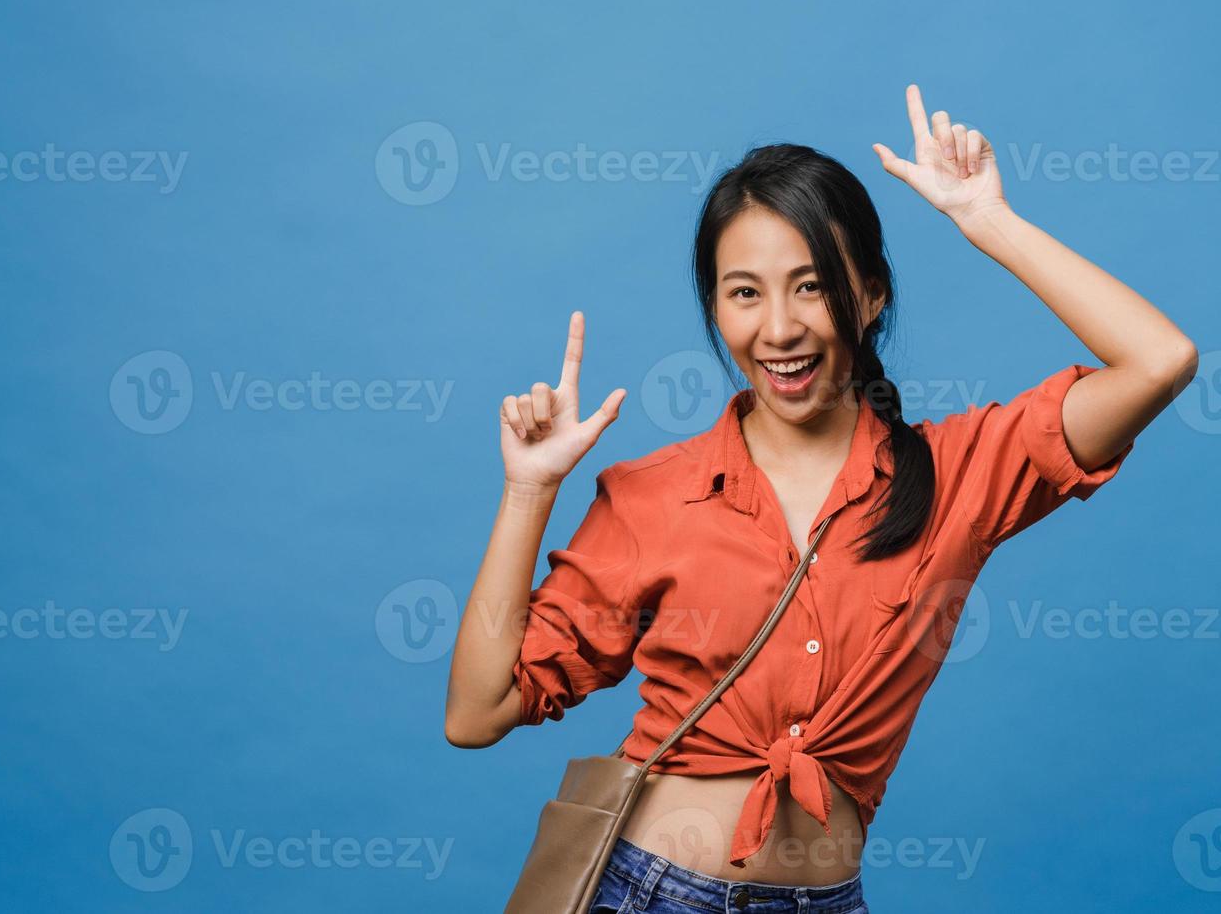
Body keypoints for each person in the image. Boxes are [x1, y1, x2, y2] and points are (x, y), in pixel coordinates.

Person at [443, 84, 1197, 914]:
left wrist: (987, 221)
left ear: (871, 294)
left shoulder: (957, 476)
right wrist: (528, 489)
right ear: (715, 309)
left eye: (811, 286)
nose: (779, 328)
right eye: (744, 293)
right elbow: (479, 712)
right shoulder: (653, 497)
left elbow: (1159, 361)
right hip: (651, 892)